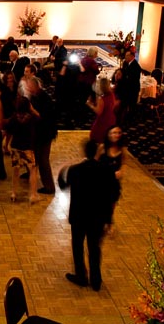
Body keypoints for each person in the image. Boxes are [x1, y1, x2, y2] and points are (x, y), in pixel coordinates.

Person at [58, 139, 119, 291]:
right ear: (98, 151)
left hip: (78, 215)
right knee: (94, 248)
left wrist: (61, 172)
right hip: (97, 217)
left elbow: (63, 186)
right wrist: (109, 219)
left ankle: (81, 276)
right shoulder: (107, 170)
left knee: (77, 246)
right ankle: (96, 280)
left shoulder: (75, 169)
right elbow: (113, 195)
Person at [4, 96, 39, 203]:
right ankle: (32, 195)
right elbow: (39, 118)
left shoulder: (14, 118)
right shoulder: (32, 118)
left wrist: (6, 145)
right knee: (32, 169)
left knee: (16, 170)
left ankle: (14, 193)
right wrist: (32, 109)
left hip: (15, 147)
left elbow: (8, 133)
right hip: (28, 147)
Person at [26, 76, 57, 194]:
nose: (28, 88)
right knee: (35, 157)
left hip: (45, 133)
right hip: (38, 133)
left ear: (35, 86)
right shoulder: (35, 96)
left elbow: (42, 117)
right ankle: (31, 176)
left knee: (43, 160)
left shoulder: (44, 98)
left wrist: (31, 110)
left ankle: (49, 187)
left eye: (29, 86)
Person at [87, 77, 117, 143]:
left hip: (103, 120)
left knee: (95, 136)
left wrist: (90, 105)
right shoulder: (112, 94)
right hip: (111, 118)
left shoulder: (102, 99)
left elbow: (98, 112)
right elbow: (114, 105)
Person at [117, 49, 141, 125]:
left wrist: (122, 79)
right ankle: (122, 119)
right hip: (126, 89)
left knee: (132, 105)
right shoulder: (125, 63)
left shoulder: (136, 67)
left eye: (127, 56)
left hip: (132, 89)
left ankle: (131, 121)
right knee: (124, 104)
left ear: (132, 56)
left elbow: (131, 79)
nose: (125, 57)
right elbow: (123, 72)